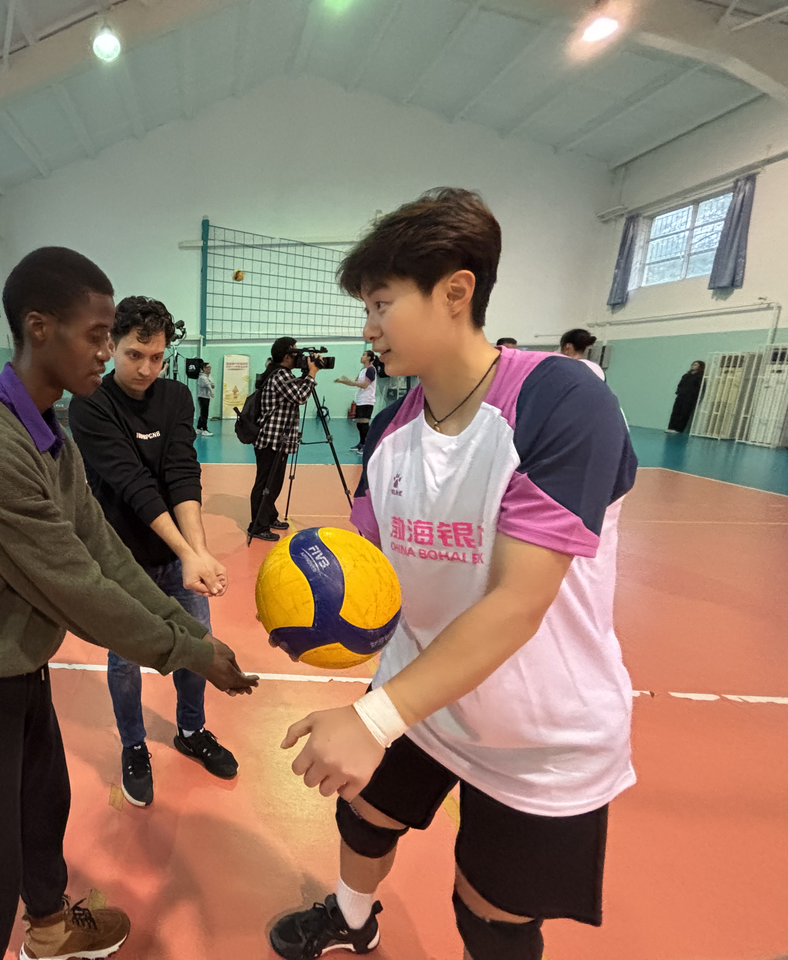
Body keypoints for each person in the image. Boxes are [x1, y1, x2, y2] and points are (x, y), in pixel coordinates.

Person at [269, 189, 637, 960]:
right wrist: (309, 593)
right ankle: (351, 918)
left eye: (380, 304)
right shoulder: (393, 434)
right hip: (422, 693)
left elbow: (517, 603)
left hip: (535, 730)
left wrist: (371, 719)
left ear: (456, 291)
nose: (366, 329)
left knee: (491, 916)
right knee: (362, 814)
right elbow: (368, 566)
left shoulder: (561, 401)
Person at [0, 247, 258, 960]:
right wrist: (188, 651)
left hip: (18, 664)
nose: (106, 352)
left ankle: (51, 929)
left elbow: (103, 550)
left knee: (43, 812)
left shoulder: (49, 433)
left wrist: (180, 623)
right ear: (39, 328)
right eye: (96, 336)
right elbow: (75, 587)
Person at [70, 297, 237, 808]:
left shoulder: (175, 399)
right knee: (125, 660)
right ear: (111, 348)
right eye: (134, 354)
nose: (147, 368)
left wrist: (198, 554)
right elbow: (135, 484)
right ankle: (134, 745)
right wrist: (187, 551)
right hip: (122, 561)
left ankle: (191, 731)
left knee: (197, 645)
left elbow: (181, 473)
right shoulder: (90, 405)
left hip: (174, 555)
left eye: (157, 357)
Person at [248, 337, 320, 542]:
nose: (300, 357)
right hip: (271, 440)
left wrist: (307, 374)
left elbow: (295, 391)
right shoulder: (279, 375)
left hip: (279, 440)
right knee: (265, 484)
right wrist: (312, 374)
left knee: (275, 483)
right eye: (296, 353)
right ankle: (257, 526)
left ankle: (269, 517)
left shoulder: (283, 374)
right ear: (286, 356)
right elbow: (300, 396)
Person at [335, 349, 378, 455]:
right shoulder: (362, 370)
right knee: (359, 424)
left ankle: (369, 446)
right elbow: (356, 382)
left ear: (368, 357)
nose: (361, 357)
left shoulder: (371, 370)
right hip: (360, 400)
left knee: (364, 424)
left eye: (364, 355)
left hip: (367, 400)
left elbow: (364, 385)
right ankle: (361, 443)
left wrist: (350, 382)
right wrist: (344, 381)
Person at [667, 360, 705, 433]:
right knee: (676, 411)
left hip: (690, 398)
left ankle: (678, 429)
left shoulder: (700, 377)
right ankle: (671, 427)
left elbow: (699, 388)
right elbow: (680, 384)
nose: (693, 366)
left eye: (696, 365)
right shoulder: (686, 376)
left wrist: (693, 395)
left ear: (700, 367)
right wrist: (679, 392)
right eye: (693, 364)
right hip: (681, 396)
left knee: (684, 413)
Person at [196, 362, 215, 436]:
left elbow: (212, 384)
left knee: (203, 413)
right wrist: (212, 393)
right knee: (204, 414)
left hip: (206, 397)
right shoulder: (202, 377)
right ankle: (204, 429)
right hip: (203, 397)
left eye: (210, 368)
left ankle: (198, 428)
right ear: (203, 369)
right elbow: (208, 386)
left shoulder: (207, 377)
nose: (209, 369)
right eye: (208, 368)